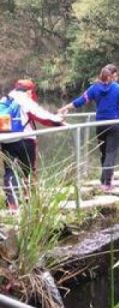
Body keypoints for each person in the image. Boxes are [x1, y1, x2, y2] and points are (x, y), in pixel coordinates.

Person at [59, 64, 119, 192]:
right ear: (111, 76)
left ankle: (104, 179)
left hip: (100, 124)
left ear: (100, 76)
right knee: (111, 153)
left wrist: (65, 108)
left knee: (103, 153)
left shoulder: (94, 88)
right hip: (114, 124)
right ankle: (107, 183)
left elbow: (80, 101)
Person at [0, 79, 64, 210]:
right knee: (28, 170)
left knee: (9, 171)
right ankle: (30, 198)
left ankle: (12, 204)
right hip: (25, 140)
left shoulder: (4, 100)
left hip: (6, 140)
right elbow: (42, 116)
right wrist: (59, 120)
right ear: (29, 91)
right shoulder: (25, 100)